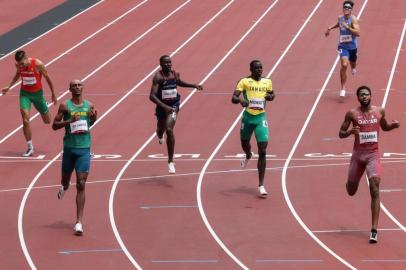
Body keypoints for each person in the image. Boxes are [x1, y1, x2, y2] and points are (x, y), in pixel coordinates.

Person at [339, 86, 399, 243]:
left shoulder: (380, 111)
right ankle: (349, 183)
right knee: (351, 191)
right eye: (361, 95)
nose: (364, 97)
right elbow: (340, 133)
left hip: (373, 155)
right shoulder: (352, 113)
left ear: (371, 96)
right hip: (358, 156)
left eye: (366, 94)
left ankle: (374, 230)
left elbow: (384, 127)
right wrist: (350, 132)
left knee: (375, 187)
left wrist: (393, 126)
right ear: (358, 98)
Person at [52, 80, 97, 235]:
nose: (77, 87)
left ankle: (78, 222)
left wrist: (94, 117)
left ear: (83, 87)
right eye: (74, 85)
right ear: (70, 89)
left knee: (81, 183)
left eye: (80, 85)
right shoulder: (65, 106)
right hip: (69, 149)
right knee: (65, 181)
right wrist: (69, 121)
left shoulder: (89, 105)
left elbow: (90, 123)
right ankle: (64, 186)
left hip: (84, 149)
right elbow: (54, 125)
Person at [149, 55, 203, 174]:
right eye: (166, 63)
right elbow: (151, 96)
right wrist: (164, 107)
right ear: (161, 64)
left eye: (170, 62)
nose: (168, 64)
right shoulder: (158, 77)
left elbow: (179, 82)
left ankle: (170, 161)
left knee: (169, 129)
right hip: (162, 107)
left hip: (173, 106)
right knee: (160, 129)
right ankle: (158, 134)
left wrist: (193, 85)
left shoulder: (174, 73)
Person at [232, 60, 275, 198]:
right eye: (256, 68)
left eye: (261, 67)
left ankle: (261, 185)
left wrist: (270, 96)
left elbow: (272, 95)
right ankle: (248, 154)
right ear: (251, 69)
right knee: (244, 143)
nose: (260, 70)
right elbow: (233, 97)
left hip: (260, 118)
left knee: (263, 149)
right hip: (247, 118)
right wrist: (240, 101)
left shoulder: (267, 82)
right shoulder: (244, 81)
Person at [2, 50, 57, 156]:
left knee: (47, 121)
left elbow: (48, 78)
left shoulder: (37, 64)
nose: (21, 66)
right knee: (25, 120)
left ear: (26, 58)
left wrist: (53, 93)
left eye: (22, 63)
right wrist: (9, 87)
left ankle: (44, 105)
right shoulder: (19, 66)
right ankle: (30, 147)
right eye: (19, 64)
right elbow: (17, 75)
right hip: (25, 95)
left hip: (38, 95)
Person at [325, 1, 360, 97]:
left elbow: (358, 33)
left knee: (352, 63)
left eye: (348, 7)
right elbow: (339, 24)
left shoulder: (354, 20)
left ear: (351, 9)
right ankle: (343, 88)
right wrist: (330, 28)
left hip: (352, 47)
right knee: (344, 65)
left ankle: (353, 67)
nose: (346, 9)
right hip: (342, 46)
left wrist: (348, 27)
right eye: (345, 7)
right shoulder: (340, 18)